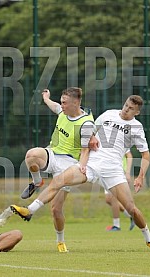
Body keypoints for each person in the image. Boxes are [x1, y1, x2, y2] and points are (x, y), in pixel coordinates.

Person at [10, 95, 150, 253]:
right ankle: (29, 210)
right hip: (91, 165)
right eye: (125, 105)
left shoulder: (136, 128)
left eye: (131, 108)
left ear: (137, 112)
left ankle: (149, 240)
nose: (126, 109)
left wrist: (140, 176)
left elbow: (146, 155)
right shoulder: (109, 114)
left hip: (113, 170)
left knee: (131, 208)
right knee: (58, 181)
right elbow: (90, 129)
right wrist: (90, 138)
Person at [20, 87, 94, 252]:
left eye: (65, 103)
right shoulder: (62, 111)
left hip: (69, 164)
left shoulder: (86, 124)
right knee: (31, 155)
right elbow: (54, 106)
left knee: (55, 209)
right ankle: (37, 181)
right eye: (61, 102)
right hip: (53, 154)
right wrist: (46, 98)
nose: (62, 105)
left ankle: (60, 241)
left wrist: (81, 165)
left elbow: (85, 150)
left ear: (75, 103)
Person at [105, 150, 135, 231]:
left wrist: (127, 172)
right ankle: (132, 216)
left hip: (118, 172)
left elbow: (129, 156)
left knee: (113, 198)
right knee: (108, 200)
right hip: (106, 172)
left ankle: (116, 226)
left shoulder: (120, 139)